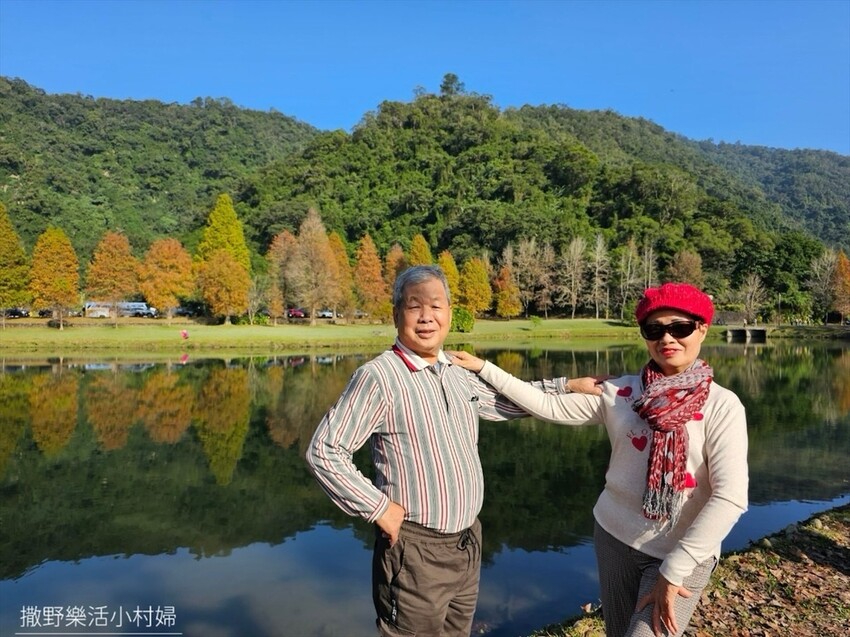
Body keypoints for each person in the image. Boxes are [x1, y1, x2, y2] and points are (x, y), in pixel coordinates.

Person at [306, 265, 601, 637]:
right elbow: (325, 450)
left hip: (467, 540)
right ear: (397, 314)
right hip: (416, 550)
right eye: (414, 307)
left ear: (449, 314)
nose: (426, 316)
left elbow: (508, 401)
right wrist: (379, 508)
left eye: (436, 306)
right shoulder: (379, 377)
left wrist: (567, 385)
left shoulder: (456, 372)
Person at [449, 282, 749, 637]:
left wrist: (674, 568)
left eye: (679, 328)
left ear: (702, 329)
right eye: (654, 329)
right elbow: (544, 405)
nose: (667, 338)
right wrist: (485, 367)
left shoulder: (722, 405)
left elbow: (730, 497)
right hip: (614, 536)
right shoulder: (620, 392)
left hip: (682, 550)